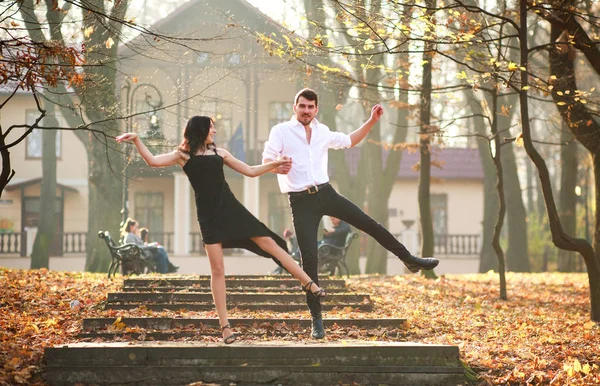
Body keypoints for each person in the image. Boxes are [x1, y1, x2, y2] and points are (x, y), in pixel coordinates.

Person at [116, 115, 326, 344]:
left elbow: (251, 170)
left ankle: (309, 283)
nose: (214, 131)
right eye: (211, 127)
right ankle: (225, 327)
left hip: (232, 209)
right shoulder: (182, 156)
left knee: (270, 243)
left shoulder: (220, 153)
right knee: (218, 270)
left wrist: (275, 164)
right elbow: (153, 161)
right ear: (200, 129)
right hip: (208, 217)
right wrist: (137, 140)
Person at [262, 88, 439, 339]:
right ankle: (317, 320)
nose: (306, 111)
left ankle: (409, 259)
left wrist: (371, 121)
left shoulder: (322, 132)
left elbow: (349, 140)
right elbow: (267, 159)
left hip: (326, 193)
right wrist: (278, 167)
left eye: (310, 107)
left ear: (316, 109)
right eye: (302, 106)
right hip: (300, 201)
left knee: (369, 223)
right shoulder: (281, 131)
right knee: (309, 260)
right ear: (295, 107)